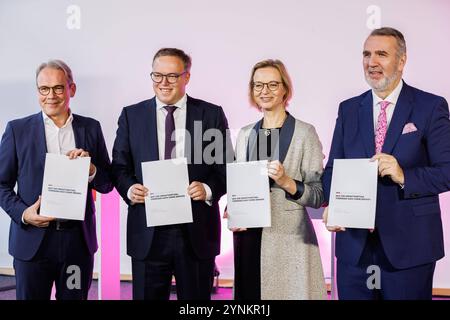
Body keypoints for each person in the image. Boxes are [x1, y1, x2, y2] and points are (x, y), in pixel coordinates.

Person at [322, 27, 450, 300]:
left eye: (382, 54)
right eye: (367, 54)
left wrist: (404, 175)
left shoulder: (431, 106)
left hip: (409, 249)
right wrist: (333, 203)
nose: (372, 62)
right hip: (354, 250)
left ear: (401, 61)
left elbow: (446, 171)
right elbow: (333, 169)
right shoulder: (348, 109)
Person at [111, 48, 232, 300]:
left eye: (172, 76)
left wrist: (208, 189)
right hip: (148, 231)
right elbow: (120, 167)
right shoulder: (131, 115)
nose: (163, 83)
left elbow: (224, 167)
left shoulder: (210, 114)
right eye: (157, 75)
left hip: (196, 230)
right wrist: (130, 189)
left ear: (186, 77)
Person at [0, 59, 113, 300]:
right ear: (37, 91)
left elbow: (106, 183)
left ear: (72, 89)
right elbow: (1, 184)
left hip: (77, 244)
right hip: (32, 242)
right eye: (44, 89)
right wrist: (23, 213)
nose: (51, 95)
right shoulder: (17, 130)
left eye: (59, 88)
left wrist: (91, 168)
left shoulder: (91, 128)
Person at [229, 59, 326, 300]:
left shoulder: (305, 133)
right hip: (248, 237)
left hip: (289, 242)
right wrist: (233, 208)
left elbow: (318, 195)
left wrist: (286, 181)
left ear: (285, 89)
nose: (265, 91)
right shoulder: (245, 134)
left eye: (272, 84)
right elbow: (239, 185)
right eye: (258, 85)